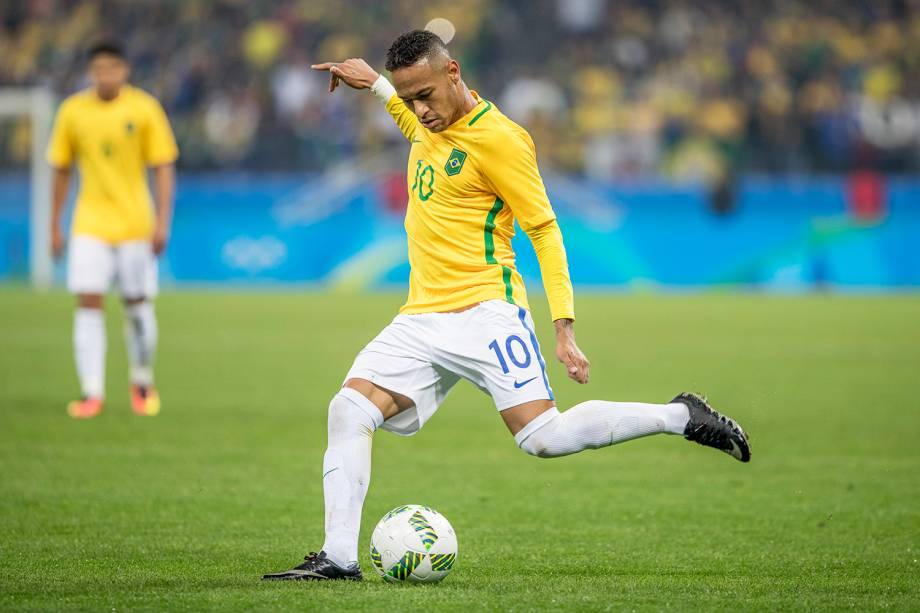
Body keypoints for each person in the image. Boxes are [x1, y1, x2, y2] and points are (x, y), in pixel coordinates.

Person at [263, 30, 750, 581]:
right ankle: (340, 558)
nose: (419, 111)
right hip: (420, 317)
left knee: (544, 438)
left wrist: (563, 327)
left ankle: (678, 416)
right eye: (409, 98)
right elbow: (414, 125)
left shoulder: (502, 140)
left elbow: (544, 229)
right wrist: (375, 85)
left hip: (486, 312)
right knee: (348, 410)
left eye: (424, 95)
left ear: (454, 73)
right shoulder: (428, 124)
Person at [47, 40, 178, 419]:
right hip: (89, 222)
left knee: (137, 306)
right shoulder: (73, 111)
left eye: (113, 68)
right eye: (100, 68)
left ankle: (141, 378)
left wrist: (162, 221)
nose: (107, 75)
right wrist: (55, 225)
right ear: (92, 71)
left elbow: (164, 165)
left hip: (136, 224)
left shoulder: (144, 108)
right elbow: (60, 169)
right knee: (88, 302)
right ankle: (92, 392)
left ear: (125, 70)